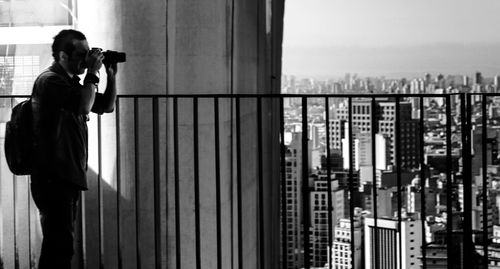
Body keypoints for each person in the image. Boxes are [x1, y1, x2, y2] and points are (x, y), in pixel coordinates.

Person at [30, 29, 117, 268]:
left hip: (66, 175)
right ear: (62, 56)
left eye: (88, 54)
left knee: (60, 245)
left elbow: (106, 106)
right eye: (82, 54)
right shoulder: (50, 81)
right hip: (53, 177)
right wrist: (92, 73)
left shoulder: (71, 83)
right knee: (59, 247)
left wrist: (111, 75)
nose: (86, 58)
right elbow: (83, 107)